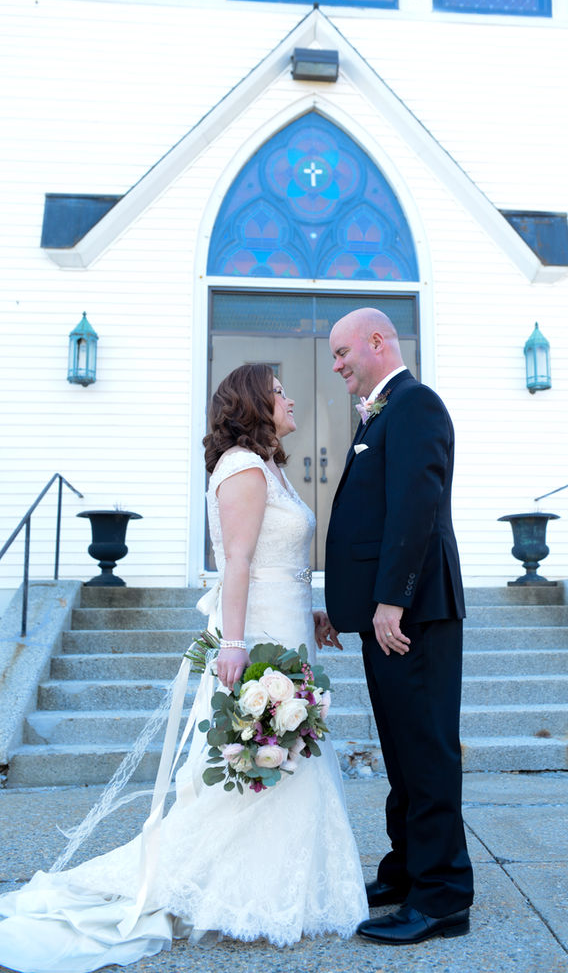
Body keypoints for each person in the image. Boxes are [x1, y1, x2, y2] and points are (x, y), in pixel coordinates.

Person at [0, 363, 367, 973]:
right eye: (280, 392)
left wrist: (317, 609)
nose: (291, 397)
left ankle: (277, 891)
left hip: (288, 622)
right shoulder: (243, 469)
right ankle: (236, 894)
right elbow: (240, 561)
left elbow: (279, 560)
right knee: (257, 760)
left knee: (287, 761)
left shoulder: (271, 466)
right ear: (255, 404)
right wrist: (235, 644)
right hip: (259, 636)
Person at [325, 308, 474, 945]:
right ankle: (408, 868)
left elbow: (417, 504)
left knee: (427, 751)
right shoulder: (382, 411)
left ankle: (442, 897)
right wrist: (349, 604)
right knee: (400, 752)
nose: (337, 366)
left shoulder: (416, 404)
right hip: (387, 615)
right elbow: (371, 515)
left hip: (415, 613)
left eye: (341, 353)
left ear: (378, 341)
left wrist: (391, 600)